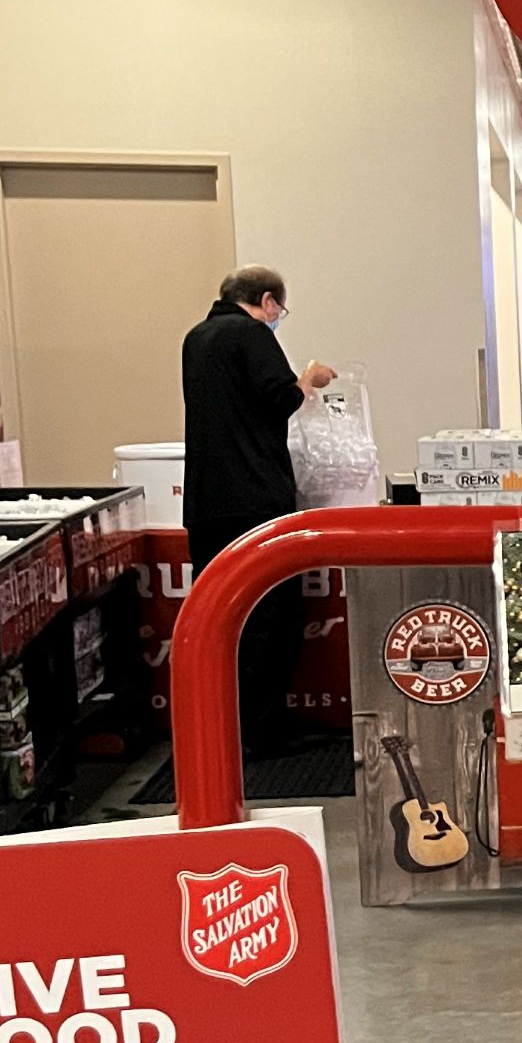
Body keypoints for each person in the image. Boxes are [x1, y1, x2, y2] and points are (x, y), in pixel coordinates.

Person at [180, 266, 335, 754]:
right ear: (267, 301)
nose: (277, 319)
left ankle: (222, 729)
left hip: (206, 501)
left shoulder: (196, 338)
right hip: (254, 500)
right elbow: (279, 397)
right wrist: (308, 378)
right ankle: (262, 729)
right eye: (279, 311)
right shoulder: (250, 333)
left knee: (222, 620)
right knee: (271, 618)